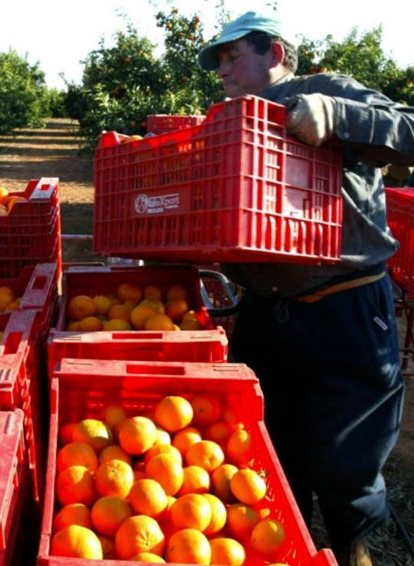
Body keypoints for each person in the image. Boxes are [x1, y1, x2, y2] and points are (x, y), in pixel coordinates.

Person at [197, 11, 414, 566]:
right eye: (218, 61)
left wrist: (336, 116)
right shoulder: (228, 121)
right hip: (271, 314)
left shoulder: (325, 90)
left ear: (273, 52)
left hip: (347, 307)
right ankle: (290, 550)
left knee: (346, 461)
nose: (222, 69)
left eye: (232, 56)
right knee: (272, 451)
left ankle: (355, 548)